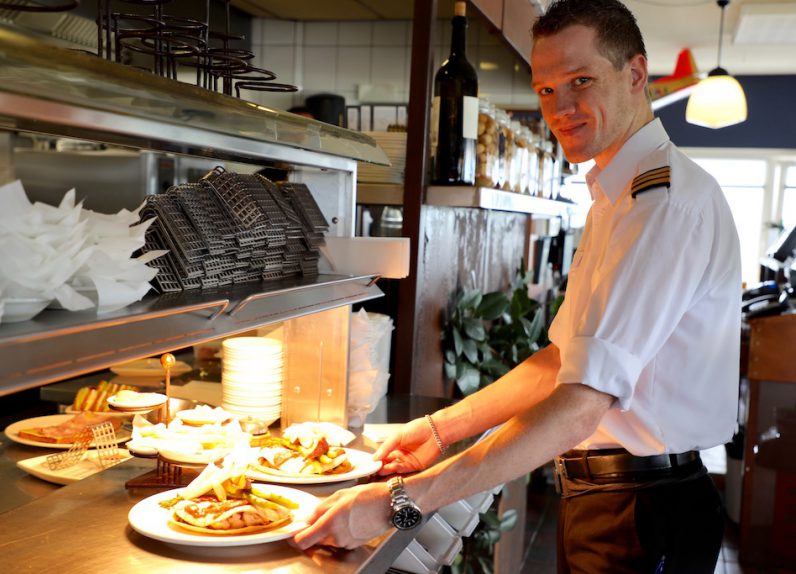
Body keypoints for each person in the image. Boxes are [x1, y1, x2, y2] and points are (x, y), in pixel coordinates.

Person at [292, 0, 741, 571]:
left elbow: (580, 405)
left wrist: (399, 503)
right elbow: (563, 363)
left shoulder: (662, 205)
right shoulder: (619, 194)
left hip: (643, 512)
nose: (561, 107)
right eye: (547, 90)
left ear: (634, 73)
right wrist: (436, 428)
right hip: (617, 501)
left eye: (581, 81)